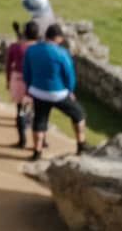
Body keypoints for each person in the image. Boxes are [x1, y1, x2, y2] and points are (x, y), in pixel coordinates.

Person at [20, 23, 89, 159]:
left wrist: (29, 88)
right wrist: (70, 90)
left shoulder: (31, 50)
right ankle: (81, 145)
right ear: (57, 38)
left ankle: (37, 152)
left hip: (37, 91)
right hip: (58, 93)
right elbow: (69, 75)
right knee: (79, 115)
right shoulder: (61, 53)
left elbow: (26, 71)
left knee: (39, 121)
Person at [6, 21, 39, 150]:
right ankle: (41, 141)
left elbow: (9, 66)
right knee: (38, 112)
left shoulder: (15, 47)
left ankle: (22, 141)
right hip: (36, 81)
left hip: (18, 80)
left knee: (20, 111)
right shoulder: (40, 48)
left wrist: (8, 81)